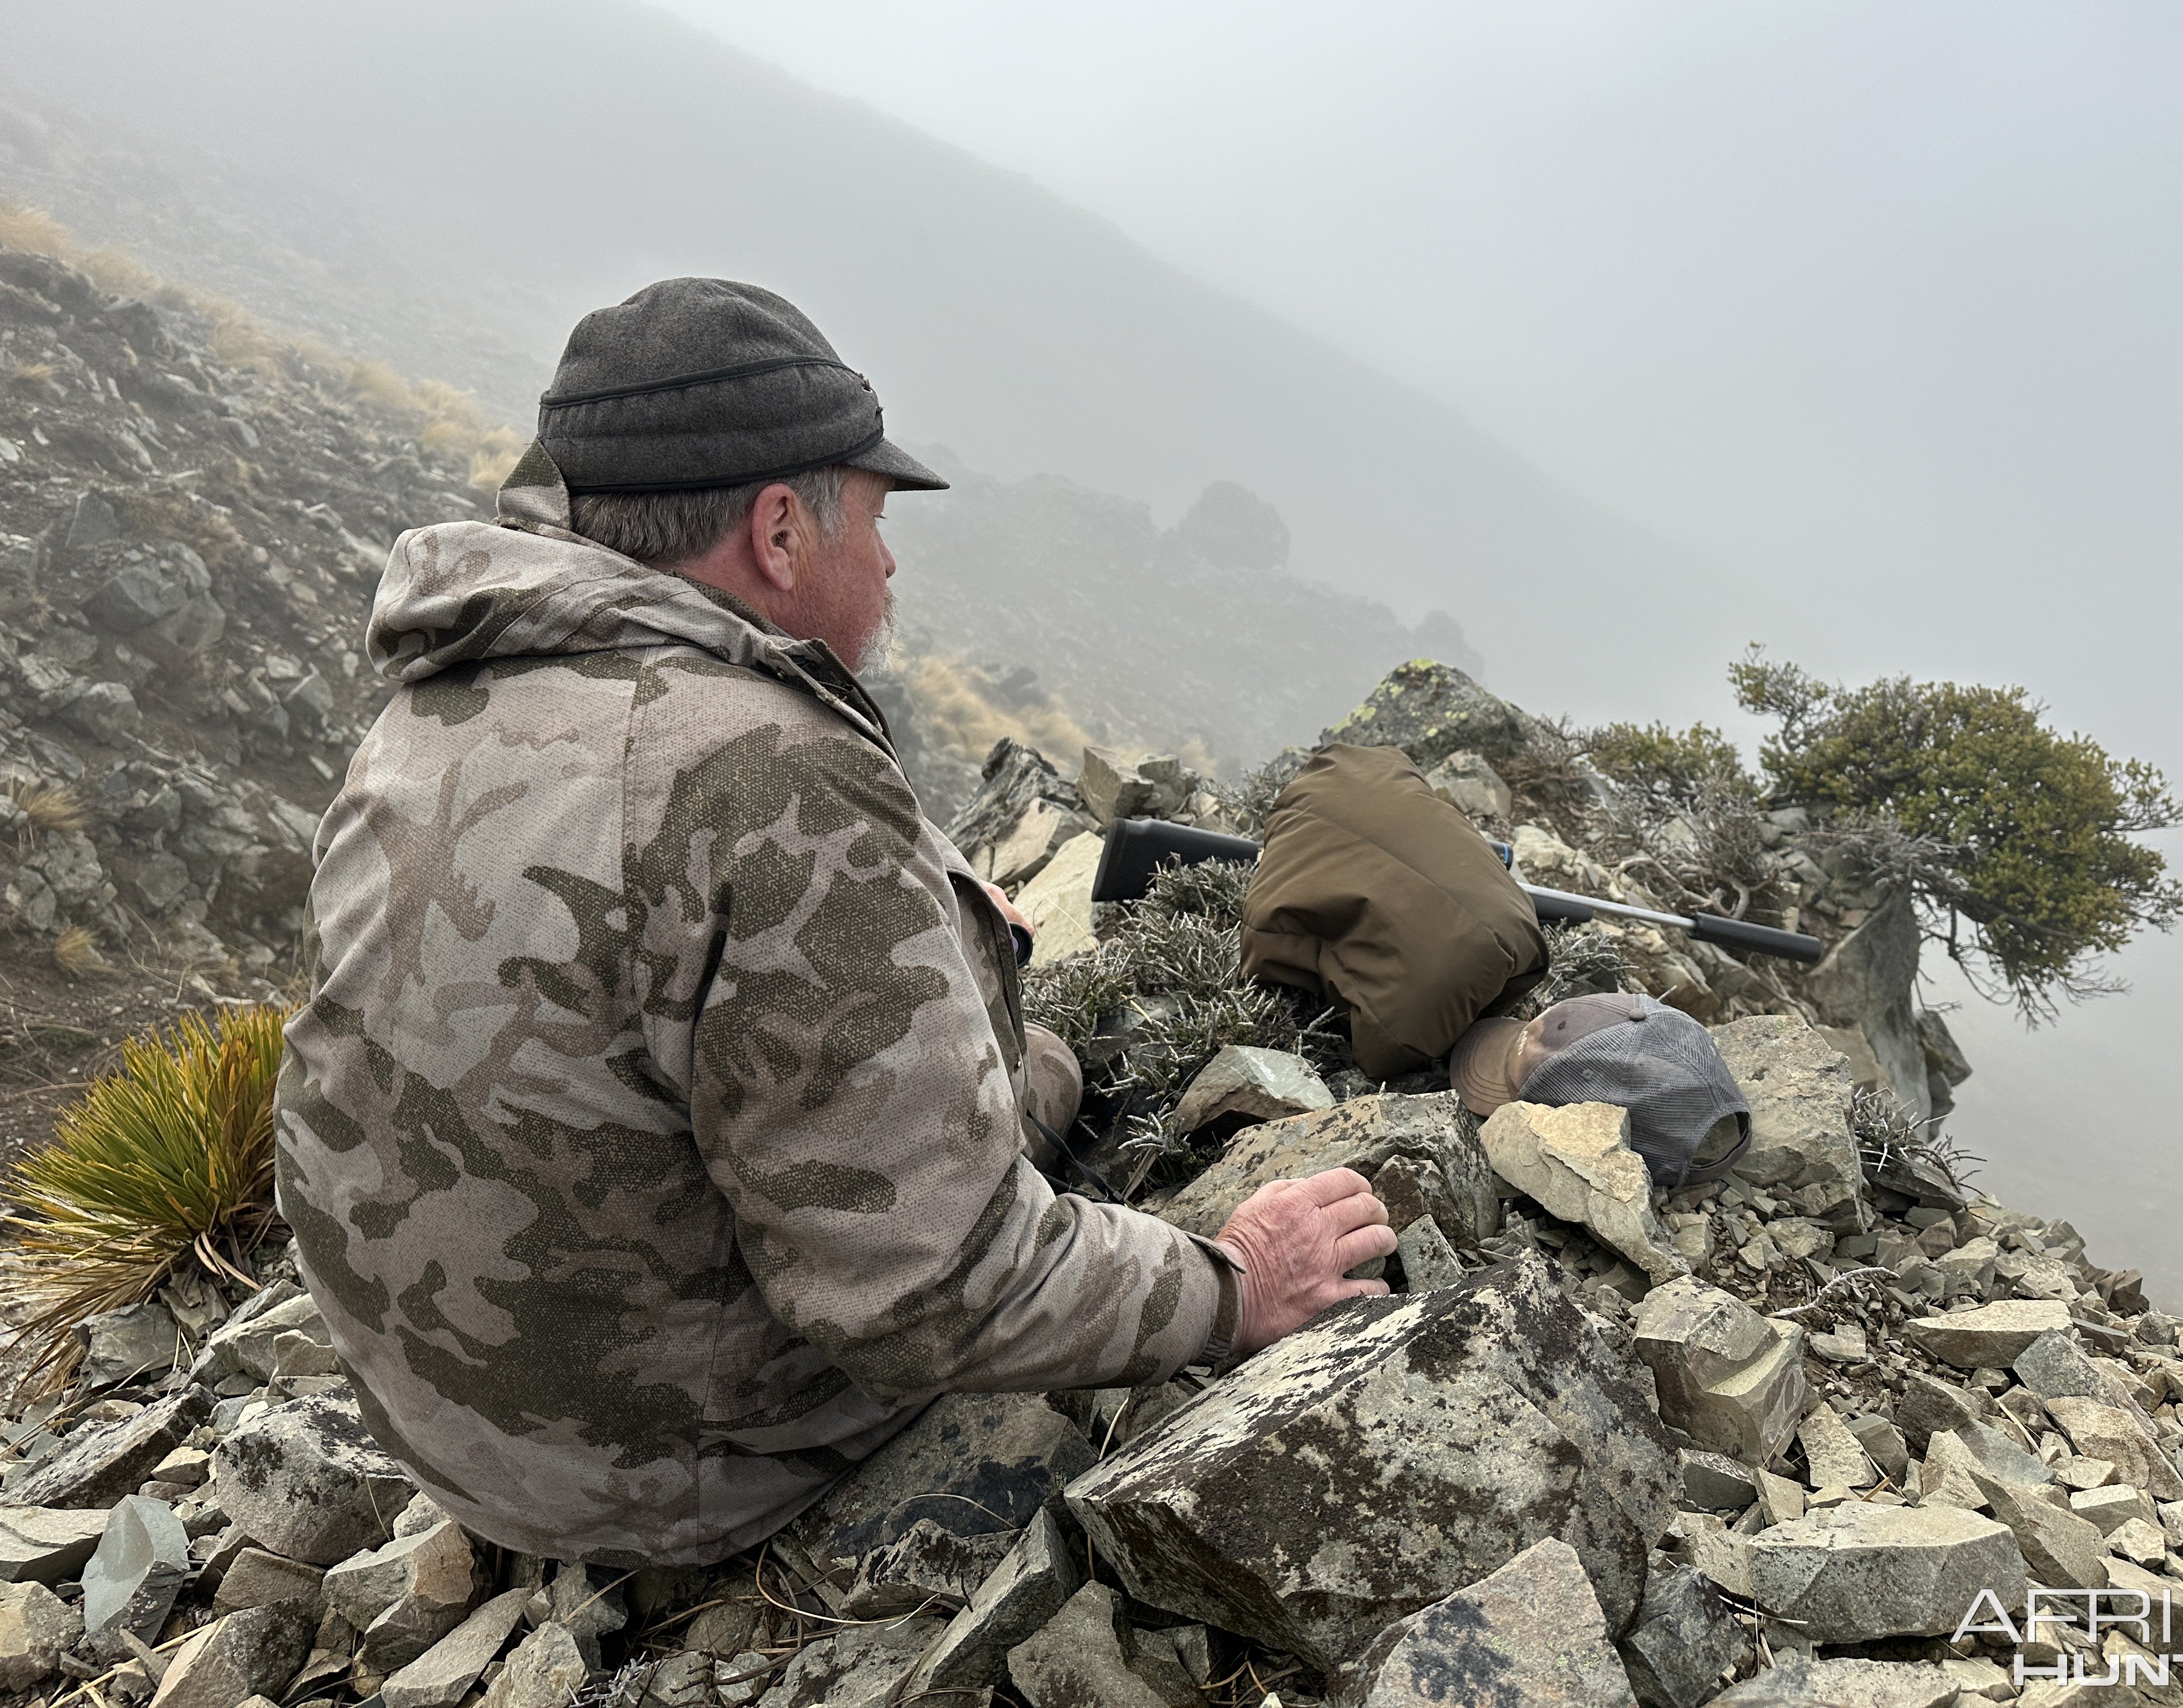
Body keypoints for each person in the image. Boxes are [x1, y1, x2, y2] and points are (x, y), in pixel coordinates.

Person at [276, 278, 1397, 1566]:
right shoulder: (767, 775)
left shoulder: (441, 702)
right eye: (869, 514)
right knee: (1041, 1115)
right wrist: (1238, 1279)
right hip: (657, 1471)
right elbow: (929, 1291)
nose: (891, 558)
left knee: (1041, 1075)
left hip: (458, 1423)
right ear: (778, 535)